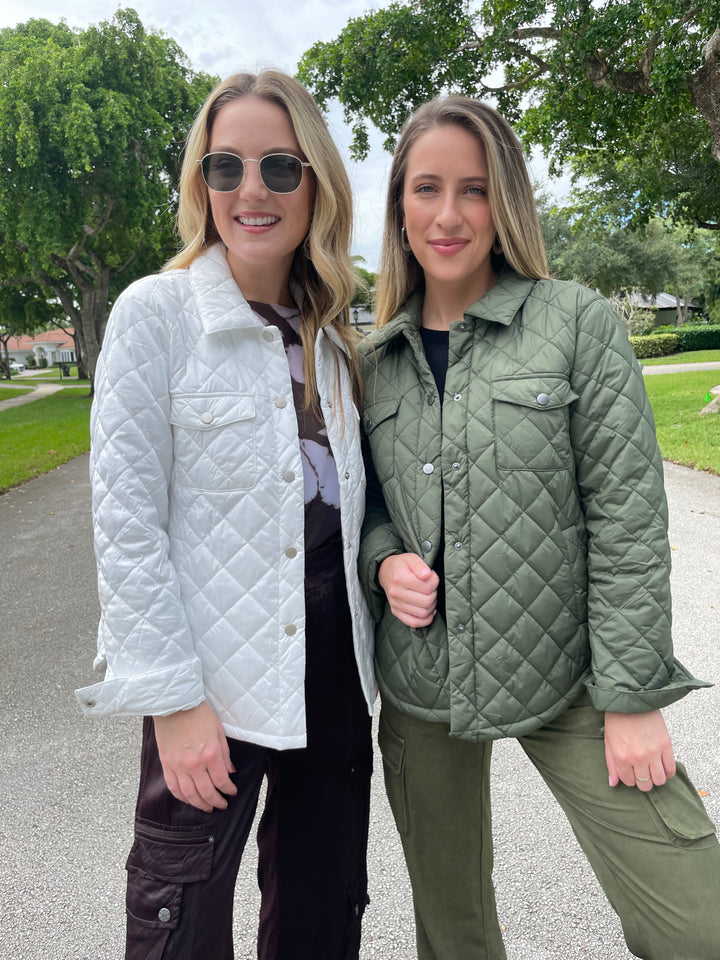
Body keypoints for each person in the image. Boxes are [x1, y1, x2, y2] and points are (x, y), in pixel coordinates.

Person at [358, 95, 720, 960]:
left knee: (697, 922)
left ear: (506, 202)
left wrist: (631, 697)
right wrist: (382, 564)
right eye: (427, 188)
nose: (449, 215)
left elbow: (628, 517)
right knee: (454, 934)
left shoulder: (576, 323)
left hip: (572, 675)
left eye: (475, 190)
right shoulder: (372, 360)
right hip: (423, 685)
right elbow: (362, 505)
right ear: (399, 206)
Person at [75, 70, 376, 960]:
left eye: (280, 168)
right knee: (182, 916)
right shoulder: (155, 315)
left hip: (332, 666)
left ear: (316, 182)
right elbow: (127, 521)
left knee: (325, 909)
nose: (252, 191)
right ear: (199, 184)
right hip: (211, 669)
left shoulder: (333, 329)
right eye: (226, 166)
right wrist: (171, 699)